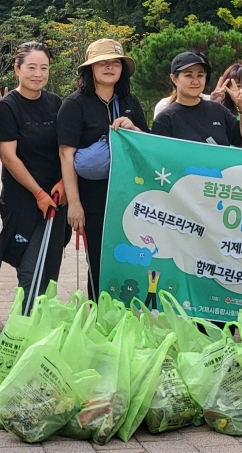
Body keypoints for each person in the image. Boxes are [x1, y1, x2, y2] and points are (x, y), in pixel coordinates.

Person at [58, 40, 148, 300]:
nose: (110, 67)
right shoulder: (75, 104)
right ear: (91, 69)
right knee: (98, 260)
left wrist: (134, 129)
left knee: (128, 260)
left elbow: (147, 146)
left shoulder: (130, 102)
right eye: (103, 62)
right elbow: (66, 155)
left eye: (115, 62)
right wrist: (74, 204)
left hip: (127, 196)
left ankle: (125, 317)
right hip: (92, 197)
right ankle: (99, 315)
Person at [0, 42, 69, 298]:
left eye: (44, 68)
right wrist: (38, 194)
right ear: (17, 69)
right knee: (29, 268)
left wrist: (63, 183)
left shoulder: (56, 103)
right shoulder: (7, 107)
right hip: (23, 199)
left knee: (50, 269)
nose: (38, 74)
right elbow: (8, 156)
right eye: (32, 67)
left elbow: (66, 149)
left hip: (57, 196)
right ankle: (26, 327)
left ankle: (43, 325)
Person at [151, 52, 242, 147]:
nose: (195, 81)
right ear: (174, 79)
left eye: (200, 75)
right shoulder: (165, 120)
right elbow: (160, 158)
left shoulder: (218, 110)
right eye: (188, 75)